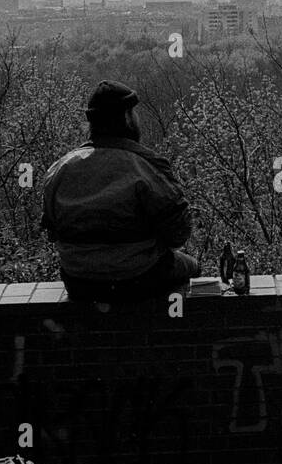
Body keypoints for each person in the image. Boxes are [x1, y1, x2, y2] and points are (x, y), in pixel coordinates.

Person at [41, 80, 200, 300]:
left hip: (78, 280)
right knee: (191, 266)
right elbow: (178, 233)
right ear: (126, 117)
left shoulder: (59, 170)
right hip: (139, 277)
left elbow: (51, 232)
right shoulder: (145, 166)